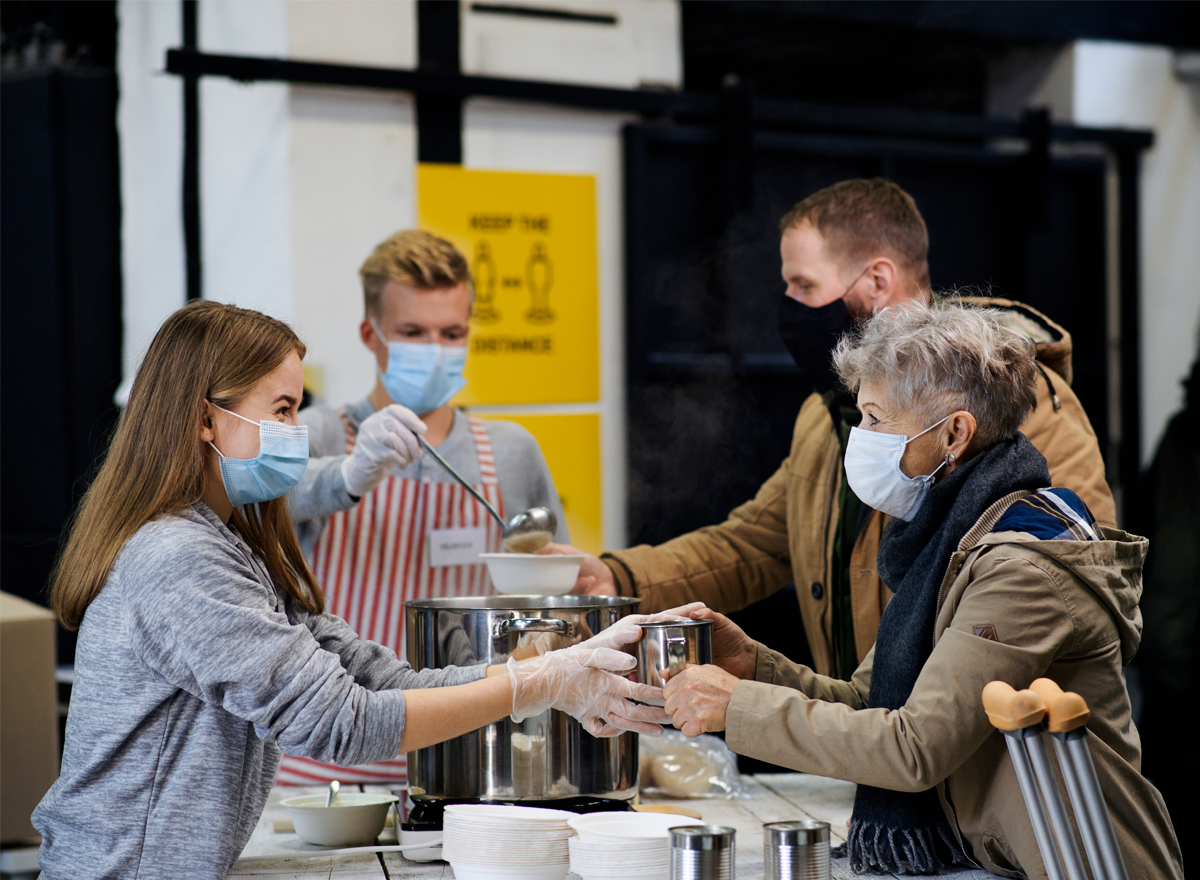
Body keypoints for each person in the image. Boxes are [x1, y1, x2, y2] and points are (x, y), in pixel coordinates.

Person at [32, 301, 674, 880]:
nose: (296, 430)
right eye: (281, 409)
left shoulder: (231, 546)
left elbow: (379, 679)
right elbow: (341, 722)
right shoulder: (179, 556)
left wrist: (553, 669)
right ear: (205, 419)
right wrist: (536, 684)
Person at [660, 303, 1181, 878]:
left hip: (1083, 863)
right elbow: (872, 706)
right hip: (1004, 861)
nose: (861, 439)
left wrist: (735, 708)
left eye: (877, 419)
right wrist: (753, 667)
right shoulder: (950, 537)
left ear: (955, 432)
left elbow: (913, 748)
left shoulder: (1022, 566)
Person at [551, 178, 1115, 680]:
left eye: (804, 285)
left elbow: (1078, 588)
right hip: (863, 747)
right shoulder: (828, 415)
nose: (790, 306)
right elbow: (757, 543)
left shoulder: (1020, 406)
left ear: (876, 281)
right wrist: (615, 576)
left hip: (965, 764)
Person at [280, 229, 569, 784]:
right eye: (413, 333)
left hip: (471, 757)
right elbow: (249, 514)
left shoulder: (510, 451)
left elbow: (546, 598)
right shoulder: (315, 435)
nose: (435, 351)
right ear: (371, 333)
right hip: (328, 763)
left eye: (452, 333)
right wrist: (347, 473)